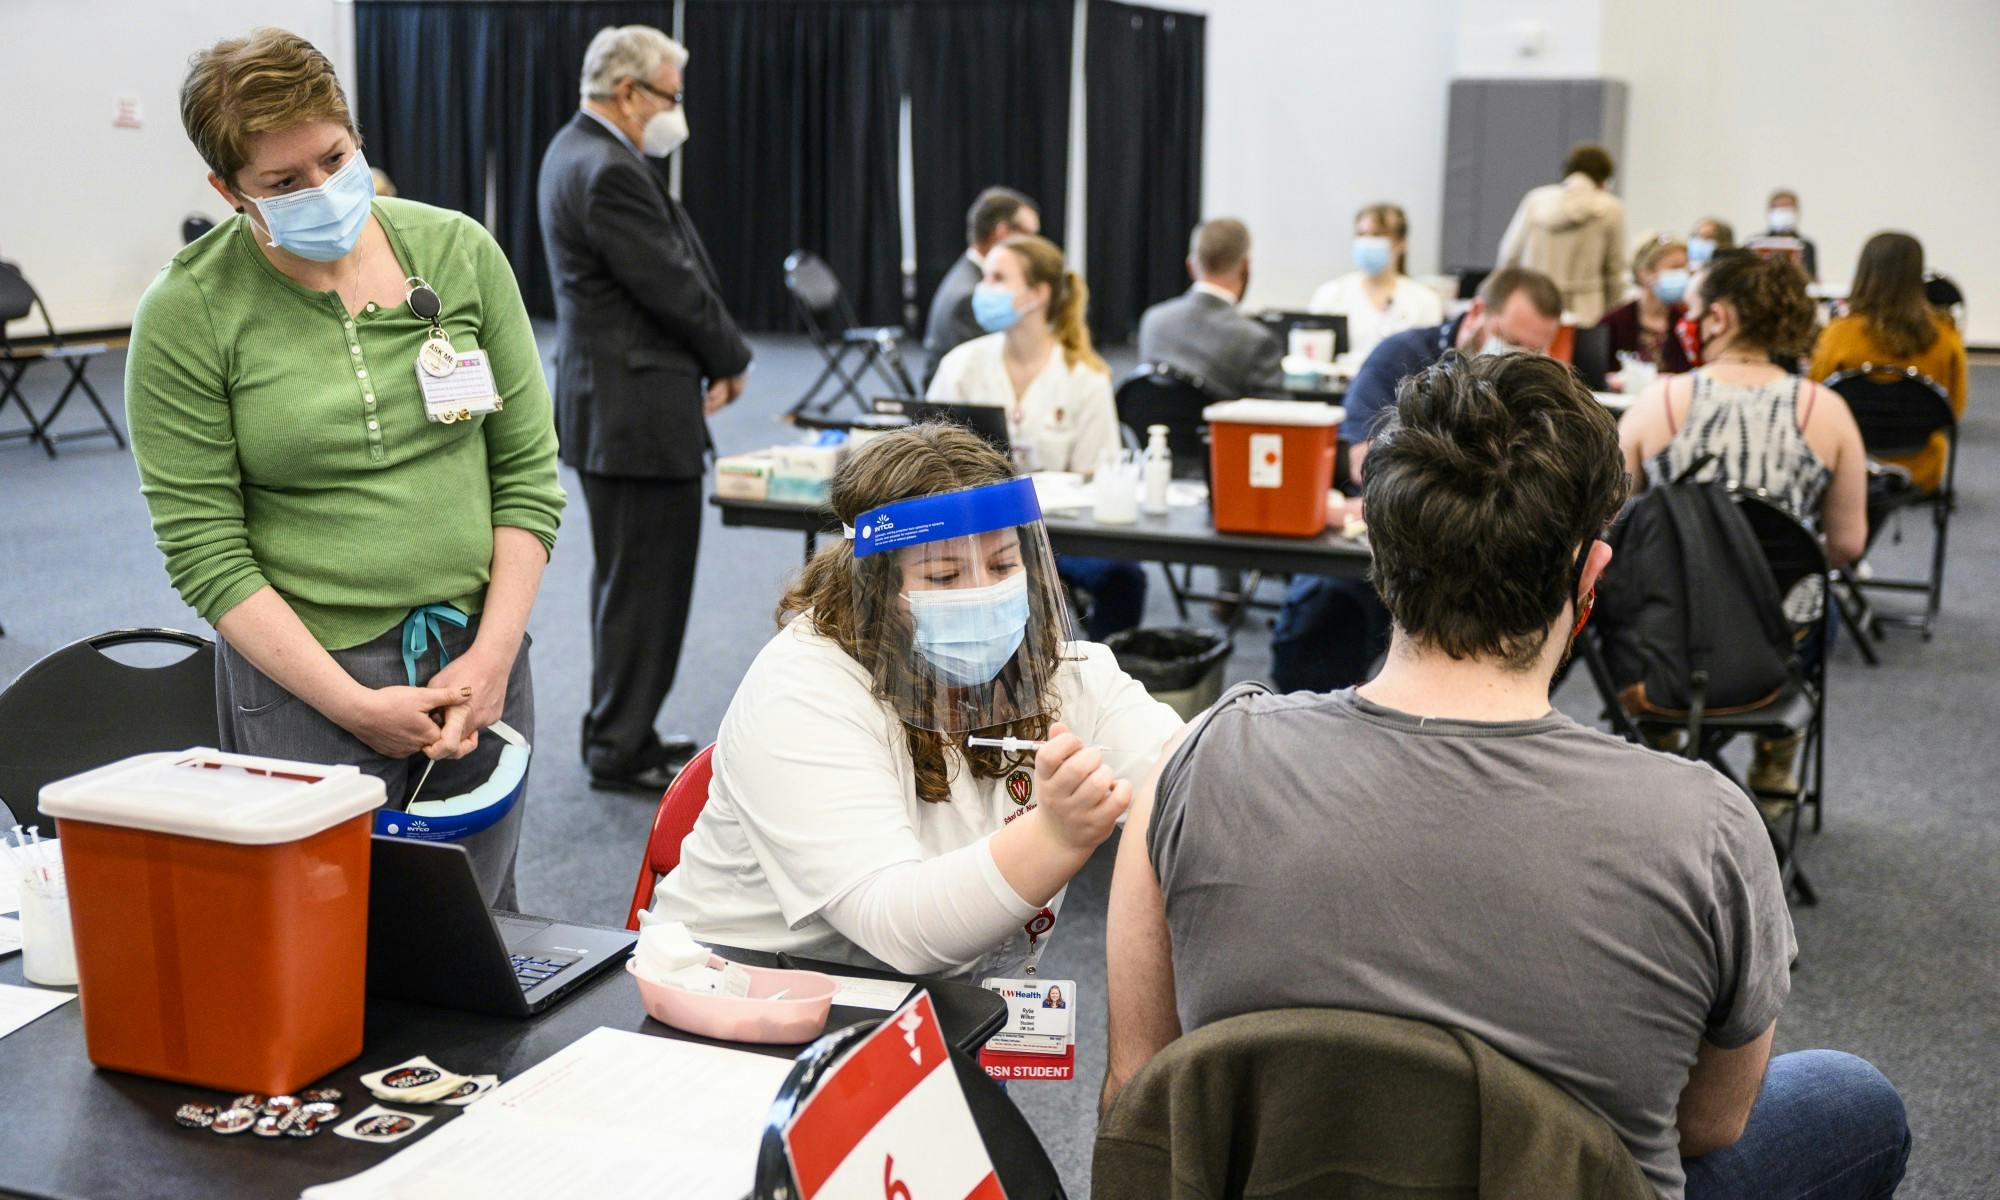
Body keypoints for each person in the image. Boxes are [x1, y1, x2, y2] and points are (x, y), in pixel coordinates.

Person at [1103, 351, 1910, 1200]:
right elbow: (1710, 1125)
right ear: (1590, 574)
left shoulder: (1192, 765)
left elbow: (1141, 1104)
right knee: (1851, 1101)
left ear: (1376, 548)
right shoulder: (1708, 829)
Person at [127, 29, 564, 906]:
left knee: (481, 930)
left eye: (335, 158)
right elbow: (205, 550)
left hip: (477, 657)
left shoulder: (459, 253)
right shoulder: (190, 312)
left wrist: (492, 653)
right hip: (306, 679)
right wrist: (352, 705)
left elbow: (525, 478)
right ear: (228, 190)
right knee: (326, 940)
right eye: (283, 183)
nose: (323, 192)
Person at [648, 425, 1182, 977]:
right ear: (877, 586)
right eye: (944, 576)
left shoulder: (1066, 674)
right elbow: (898, 928)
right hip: (738, 997)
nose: (981, 594)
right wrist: (1054, 835)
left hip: (942, 1009)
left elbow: (1196, 779)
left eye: (1003, 566)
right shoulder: (803, 690)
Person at [538, 25, 751, 792]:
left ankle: (623, 730)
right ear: (629, 93)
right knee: (644, 591)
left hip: (622, 408)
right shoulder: (605, 167)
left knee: (632, 586)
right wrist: (732, 355)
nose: (676, 110)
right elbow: (674, 286)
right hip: (634, 415)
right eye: (671, 95)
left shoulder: (583, 151)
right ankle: (620, 745)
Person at [1618, 251, 1868, 796]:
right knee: (1813, 599)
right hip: (1780, 651)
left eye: (1696, 306)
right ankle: (1774, 760)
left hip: (1667, 644)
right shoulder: (1827, 411)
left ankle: (1661, 740)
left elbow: (1612, 529)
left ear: (1721, 318)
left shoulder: (1657, 402)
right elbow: (1848, 545)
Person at [1268, 267, 1564, 693]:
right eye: (1511, 342)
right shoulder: (1401, 356)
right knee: (1325, 610)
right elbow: (1365, 464)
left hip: (1488, 547)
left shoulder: (1529, 386)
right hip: (1393, 538)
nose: (1516, 359)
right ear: (1477, 312)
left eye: (1533, 352)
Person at [929, 234, 1145, 641]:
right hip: (969, 526)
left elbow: (1095, 475)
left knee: (1124, 578)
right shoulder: (961, 365)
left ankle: (1102, 676)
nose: (982, 289)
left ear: (1038, 293)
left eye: (998, 278)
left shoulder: (1085, 376)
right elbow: (922, 453)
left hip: (1057, 532)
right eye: (985, 276)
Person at [1810, 231, 1967, 495]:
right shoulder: (1945, 336)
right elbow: (1954, 410)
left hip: (1848, 467)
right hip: (1922, 470)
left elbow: (1817, 401)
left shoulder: (1838, 334)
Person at [1135, 217, 1283, 399]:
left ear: (1191, 265)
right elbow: (1275, 418)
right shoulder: (1257, 341)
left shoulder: (1153, 321)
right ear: (1245, 267)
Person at [1496, 142, 1627, 325]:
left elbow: (1509, 254)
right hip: (1587, 312)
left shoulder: (1536, 200)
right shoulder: (1612, 208)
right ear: (1604, 178)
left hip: (1533, 303)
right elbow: (1615, 270)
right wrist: (1614, 314)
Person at [924, 187, 1040, 385]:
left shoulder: (968, 273)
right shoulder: (971, 297)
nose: (1035, 245)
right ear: (1002, 233)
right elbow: (986, 372)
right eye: (1029, 235)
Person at [1307, 203, 1444, 363]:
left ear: (1401, 244)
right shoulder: (1330, 294)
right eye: (1361, 234)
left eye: (1378, 234)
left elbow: (1428, 362)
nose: (1367, 241)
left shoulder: (1425, 300)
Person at [1598, 234, 1694, 381]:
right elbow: (1593, 378)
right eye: (1675, 267)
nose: (1683, 275)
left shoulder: (1688, 321)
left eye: (1685, 268)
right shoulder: (1612, 323)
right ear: (1644, 273)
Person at [1759, 189, 1818, 280]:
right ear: (1769, 211)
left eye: (1787, 208)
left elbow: (1810, 277)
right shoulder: (1757, 244)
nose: (1782, 212)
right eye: (1778, 207)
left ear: (1796, 211)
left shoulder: (1806, 246)